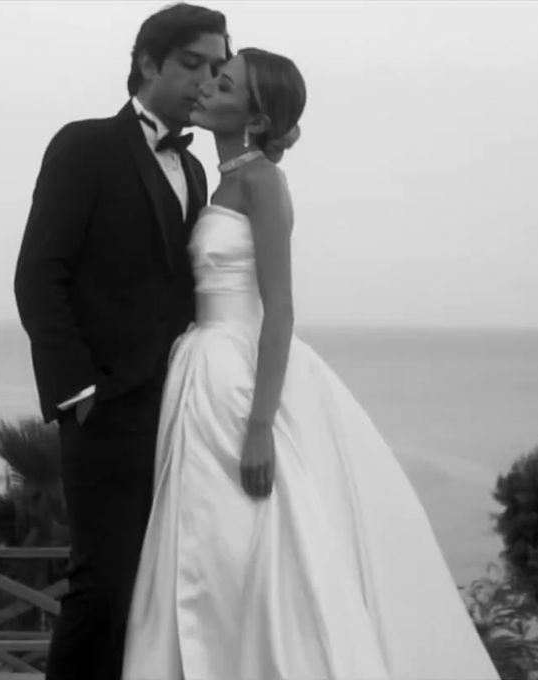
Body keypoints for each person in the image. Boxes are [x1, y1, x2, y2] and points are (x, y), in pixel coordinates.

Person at [120, 47, 501, 680]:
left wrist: (262, 425)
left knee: (254, 544)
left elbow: (281, 312)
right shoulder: (221, 177)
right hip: (204, 371)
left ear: (258, 116)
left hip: (241, 381)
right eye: (215, 75)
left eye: (226, 82)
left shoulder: (265, 183)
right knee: (205, 545)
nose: (210, 86)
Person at [11, 4, 229, 679]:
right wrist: (76, 390)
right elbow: (39, 274)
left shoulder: (194, 173)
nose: (206, 80)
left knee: (157, 584)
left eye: (217, 68)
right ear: (146, 63)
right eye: (192, 63)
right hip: (104, 404)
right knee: (101, 586)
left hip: (182, 408)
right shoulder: (85, 145)